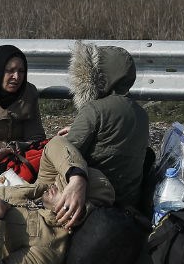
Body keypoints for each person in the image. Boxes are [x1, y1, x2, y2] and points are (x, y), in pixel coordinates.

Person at [57, 40, 150, 211]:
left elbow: (68, 152)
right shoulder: (141, 113)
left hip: (95, 197)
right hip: (129, 203)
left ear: (98, 76)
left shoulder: (94, 109)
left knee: (55, 147)